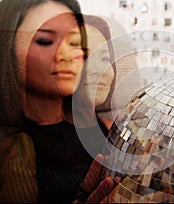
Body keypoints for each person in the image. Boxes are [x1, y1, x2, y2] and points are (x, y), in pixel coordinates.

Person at [0, 0, 117, 203]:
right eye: (45, 41)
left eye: (74, 42)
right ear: (8, 50)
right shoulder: (16, 147)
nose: (66, 56)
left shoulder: (93, 125)